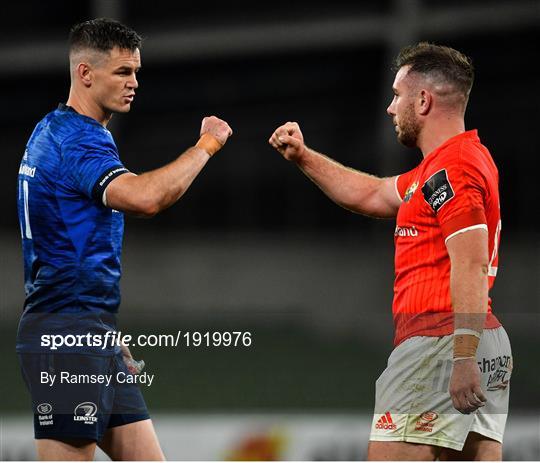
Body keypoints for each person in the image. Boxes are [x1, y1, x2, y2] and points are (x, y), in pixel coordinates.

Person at [269, 42, 512, 461]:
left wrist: (463, 354)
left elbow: (469, 263)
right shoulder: (441, 170)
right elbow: (375, 193)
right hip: (478, 342)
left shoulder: (452, 169)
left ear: (423, 100)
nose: (389, 107)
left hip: (442, 341)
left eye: (397, 95)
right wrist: (304, 157)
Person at [16, 18, 232, 461]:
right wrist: (206, 145)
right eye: (122, 72)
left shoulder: (56, 129)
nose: (134, 83)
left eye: (136, 72)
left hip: (87, 328)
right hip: (67, 332)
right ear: (85, 73)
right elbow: (146, 198)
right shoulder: (77, 139)